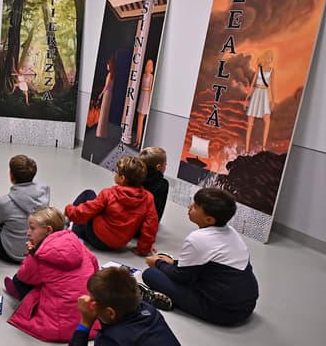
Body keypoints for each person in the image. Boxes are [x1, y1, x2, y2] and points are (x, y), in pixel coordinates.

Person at [141, 188, 259, 326]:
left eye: (195, 207)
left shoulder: (197, 239)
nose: (189, 207)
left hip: (223, 311)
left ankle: (168, 299)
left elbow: (182, 277)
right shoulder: (231, 232)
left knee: (150, 274)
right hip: (247, 305)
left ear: (209, 219)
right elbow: (207, 262)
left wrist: (158, 264)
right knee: (169, 269)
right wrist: (173, 262)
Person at [4, 207, 99, 343]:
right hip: (88, 317)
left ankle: (20, 295)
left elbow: (24, 276)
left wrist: (32, 254)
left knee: (18, 279)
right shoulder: (77, 243)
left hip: (59, 326)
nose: (28, 233)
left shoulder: (41, 256)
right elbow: (95, 266)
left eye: (32, 228)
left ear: (48, 230)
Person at [65, 156, 158, 256]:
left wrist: (69, 210)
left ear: (122, 178)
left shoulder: (109, 194)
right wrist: (143, 249)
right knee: (96, 206)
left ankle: (68, 226)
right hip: (118, 245)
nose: (115, 173)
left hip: (96, 238)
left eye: (116, 172)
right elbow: (150, 226)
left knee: (88, 194)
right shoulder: (148, 198)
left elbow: (85, 211)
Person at [0, 154, 50, 263]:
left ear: (11, 176)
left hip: (11, 253)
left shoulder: (5, 202)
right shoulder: (44, 192)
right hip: (35, 248)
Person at [69, 266, 181, 345]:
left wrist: (85, 323)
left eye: (93, 301)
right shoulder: (151, 311)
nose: (87, 302)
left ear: (110, 312)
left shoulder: (112, 340)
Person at [245, 50, 275, 153]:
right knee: (250, 124)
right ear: (265, 57)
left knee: (267, 120)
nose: (269, 60)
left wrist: (273, 100)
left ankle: (263, 147)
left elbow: (272, 87)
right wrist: (247, 98)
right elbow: (253, 84)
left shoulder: (272, 70)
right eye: (268, 57)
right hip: (256, 94)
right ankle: (247, 150)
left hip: (265, 95)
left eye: (271, 58)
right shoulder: (259, 68)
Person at [140, 147, 169, 222]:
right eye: (165, 163)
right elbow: (157, 213)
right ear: (158, 167)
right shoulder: (163, 184)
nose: (166, 164)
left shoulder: (134, 176)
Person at [135, 59, 154, 147]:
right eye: (147, 65)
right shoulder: (143, 75)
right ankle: (137, 140)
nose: (148, 66)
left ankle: (139, 142)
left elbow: (149, 88)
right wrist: (144, 89)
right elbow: (142, 86)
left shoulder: (151, 76)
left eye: (150, 65)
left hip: (146, 98)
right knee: (139, 121)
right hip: (142, 97)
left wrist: (145, 89)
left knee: (141, 121)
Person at [96, 56, 114, 138]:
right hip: (110, 94)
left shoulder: (109, 74)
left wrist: (101, 94)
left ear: (109, 65)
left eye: (107, 65)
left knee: (103, 112)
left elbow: (106, 86)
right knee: (105, 113)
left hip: (106, 94)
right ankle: (103, 133)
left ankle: (100, 132)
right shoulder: (114, 74)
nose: (106, 66)